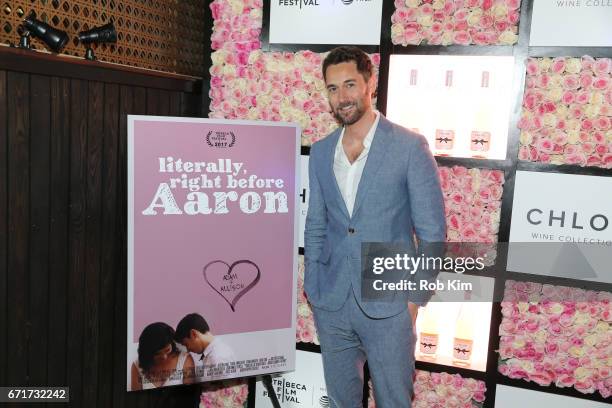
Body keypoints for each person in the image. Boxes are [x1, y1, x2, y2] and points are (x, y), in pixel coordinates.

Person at [304, 46, 446, 407]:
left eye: (350, 84)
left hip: (389, 304)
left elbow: (432, 235)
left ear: (370, 84)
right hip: (332, 302)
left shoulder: (409, 147)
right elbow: (317, 224)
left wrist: (413, 302)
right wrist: (313, 285)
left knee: (394, 401)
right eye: (333, 88)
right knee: (340, 402)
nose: (342, 97)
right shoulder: (321, 152)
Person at [131, 322, 195, 390]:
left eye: (167, 350)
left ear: (172, 343)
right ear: (148, 353)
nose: (164, 356)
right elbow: (135, 398)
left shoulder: (185, 359)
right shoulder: (137, 366)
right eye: (157, 354)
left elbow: (190, 393)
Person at [175, 313, 235, 378]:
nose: (188, 350)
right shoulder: (215, 352)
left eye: (186, 344)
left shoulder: (217, 358)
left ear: (194, 334)